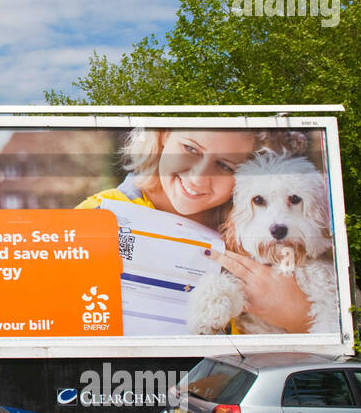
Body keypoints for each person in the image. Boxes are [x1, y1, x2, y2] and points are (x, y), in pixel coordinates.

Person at [77, 128, 314, 334]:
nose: (198, 179)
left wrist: (296, 315)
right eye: (190, 149)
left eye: (224, 165)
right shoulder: (96, 215)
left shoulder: (261, 231)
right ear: (163, 134)